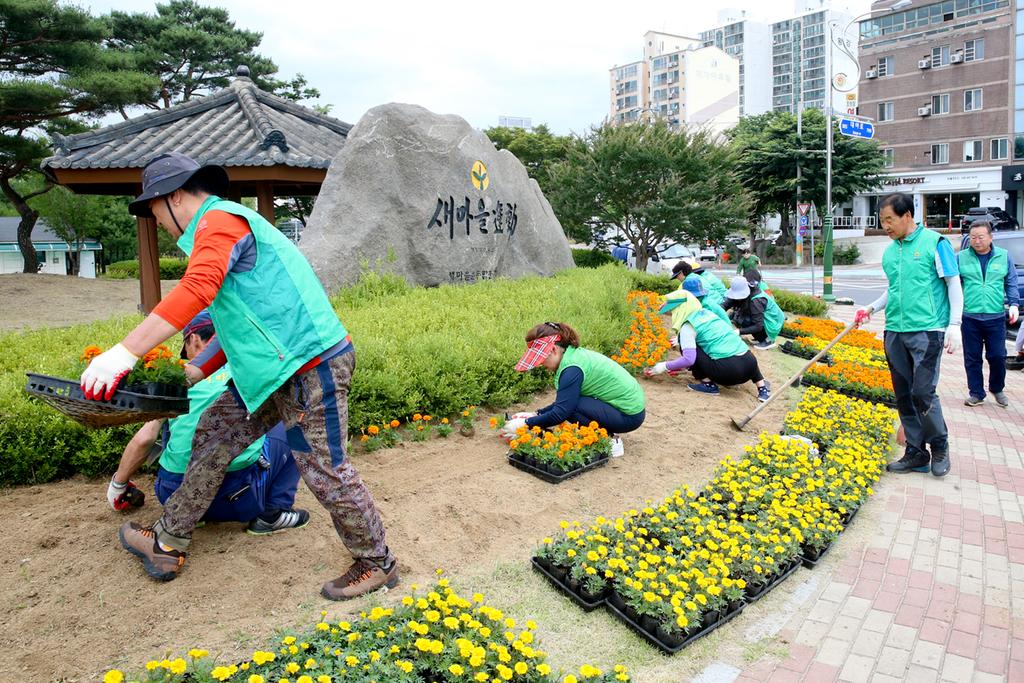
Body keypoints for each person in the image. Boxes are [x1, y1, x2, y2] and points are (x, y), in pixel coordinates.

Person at [79, 152, 396, 599]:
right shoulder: (219, 231)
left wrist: (124, 353)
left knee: (323, 466)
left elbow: (195, 290)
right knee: (214, 433)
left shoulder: (220, 222)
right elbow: (239, 324)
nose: (158, 223)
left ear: (172, 198)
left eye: (153, 211)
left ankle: (376, 561)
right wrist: (193, 370)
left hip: (309, 371)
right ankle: (168, 541)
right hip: (271, 375)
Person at [107, 311, 309, 534]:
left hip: (172, 494)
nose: (186, 358)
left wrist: (118, 485)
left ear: (194, 339)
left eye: (185, 350)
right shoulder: (246, 370)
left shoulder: (178, 381)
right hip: (236, 498)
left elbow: (145, 438)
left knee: (172, 421)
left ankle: (192, 515)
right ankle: (274, 513)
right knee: (292, 423)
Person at [856, 192, 962, 478]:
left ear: (907, 216)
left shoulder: (936, 244)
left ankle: (940, 445)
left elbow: (953, 283)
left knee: (923, 392)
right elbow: (893, 291)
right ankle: (916, 452)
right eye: (882, 221)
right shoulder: (891, 251)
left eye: (890, 220)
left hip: (928, 330)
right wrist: (871, 308)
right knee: (903, 394)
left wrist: (955, 324)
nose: (886, 226)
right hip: (895, 332)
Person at [501, 322, 646, 457]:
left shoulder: (572, 369)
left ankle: (610, 440)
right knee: (571, 405)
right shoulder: (572, 357)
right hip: (625, 408)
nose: (540, 364)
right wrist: (535, 414)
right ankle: (607, 436)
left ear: (553, 350)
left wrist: (526, 424)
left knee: (572, 409)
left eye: (541, 358)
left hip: (628, 415)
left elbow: (562, 412)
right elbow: (564, 402)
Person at [645, 289, 771, 401]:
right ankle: (762, 388)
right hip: (750, 365)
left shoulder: (688, 326)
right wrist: (678, 367)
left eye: (673, 310)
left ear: (680, 309)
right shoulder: (707, 314)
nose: (673, 313)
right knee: (736, 346)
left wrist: (663, 366)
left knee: (688, 348)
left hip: (729, 374)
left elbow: (689, 360)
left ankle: (708, 385)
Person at [957, 221, 1019, 407]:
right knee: (972, 357)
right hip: (970, 317)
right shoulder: (961, 257)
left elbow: (1011, 281)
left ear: (990, 237)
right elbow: (953, 285)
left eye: (981, 237)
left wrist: (1014, 304)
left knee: (998, 356)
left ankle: (997, 388)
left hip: (996, 316)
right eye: (973, 237)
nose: (977, 241)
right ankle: (976, 392)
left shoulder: (1003, 256)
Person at [722, 270, 784, 350]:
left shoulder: (756, 301)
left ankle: (768, 340)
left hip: (773, 323)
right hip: (764, 320)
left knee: (744, 320)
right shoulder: (744, 288)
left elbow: (758, 326)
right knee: (738, 316)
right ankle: (760, 337)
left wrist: (738, 331)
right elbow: (726, 304)